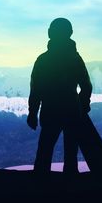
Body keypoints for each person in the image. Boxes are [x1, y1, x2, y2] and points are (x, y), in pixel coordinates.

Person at [27, 18, 92, 174]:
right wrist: (82, 106)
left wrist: (32, 113)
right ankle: (70, 190)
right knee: (71, 155)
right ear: (69, 34)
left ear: (50, 34)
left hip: (50, 110)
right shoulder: (75, 59)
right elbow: (86, 86)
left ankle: (40, 188)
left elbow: (36, 89)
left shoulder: (43, 60)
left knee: (44, 152)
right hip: (72, 110)